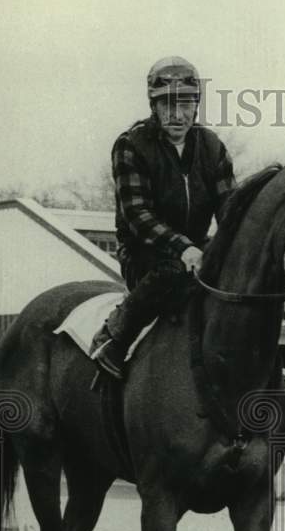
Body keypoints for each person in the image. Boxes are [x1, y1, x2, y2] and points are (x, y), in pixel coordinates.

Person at [91, 56, 236, 379]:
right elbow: (137, 214)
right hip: (145, 254)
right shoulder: (131, 144)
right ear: (153, 106)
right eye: (167, 104)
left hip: (196, 252)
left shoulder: (212, 147)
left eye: (185, 104)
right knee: (171, 271)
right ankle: (114, 338)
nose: (177, 114)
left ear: (196, 106)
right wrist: (183, 248)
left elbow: (229, 208)